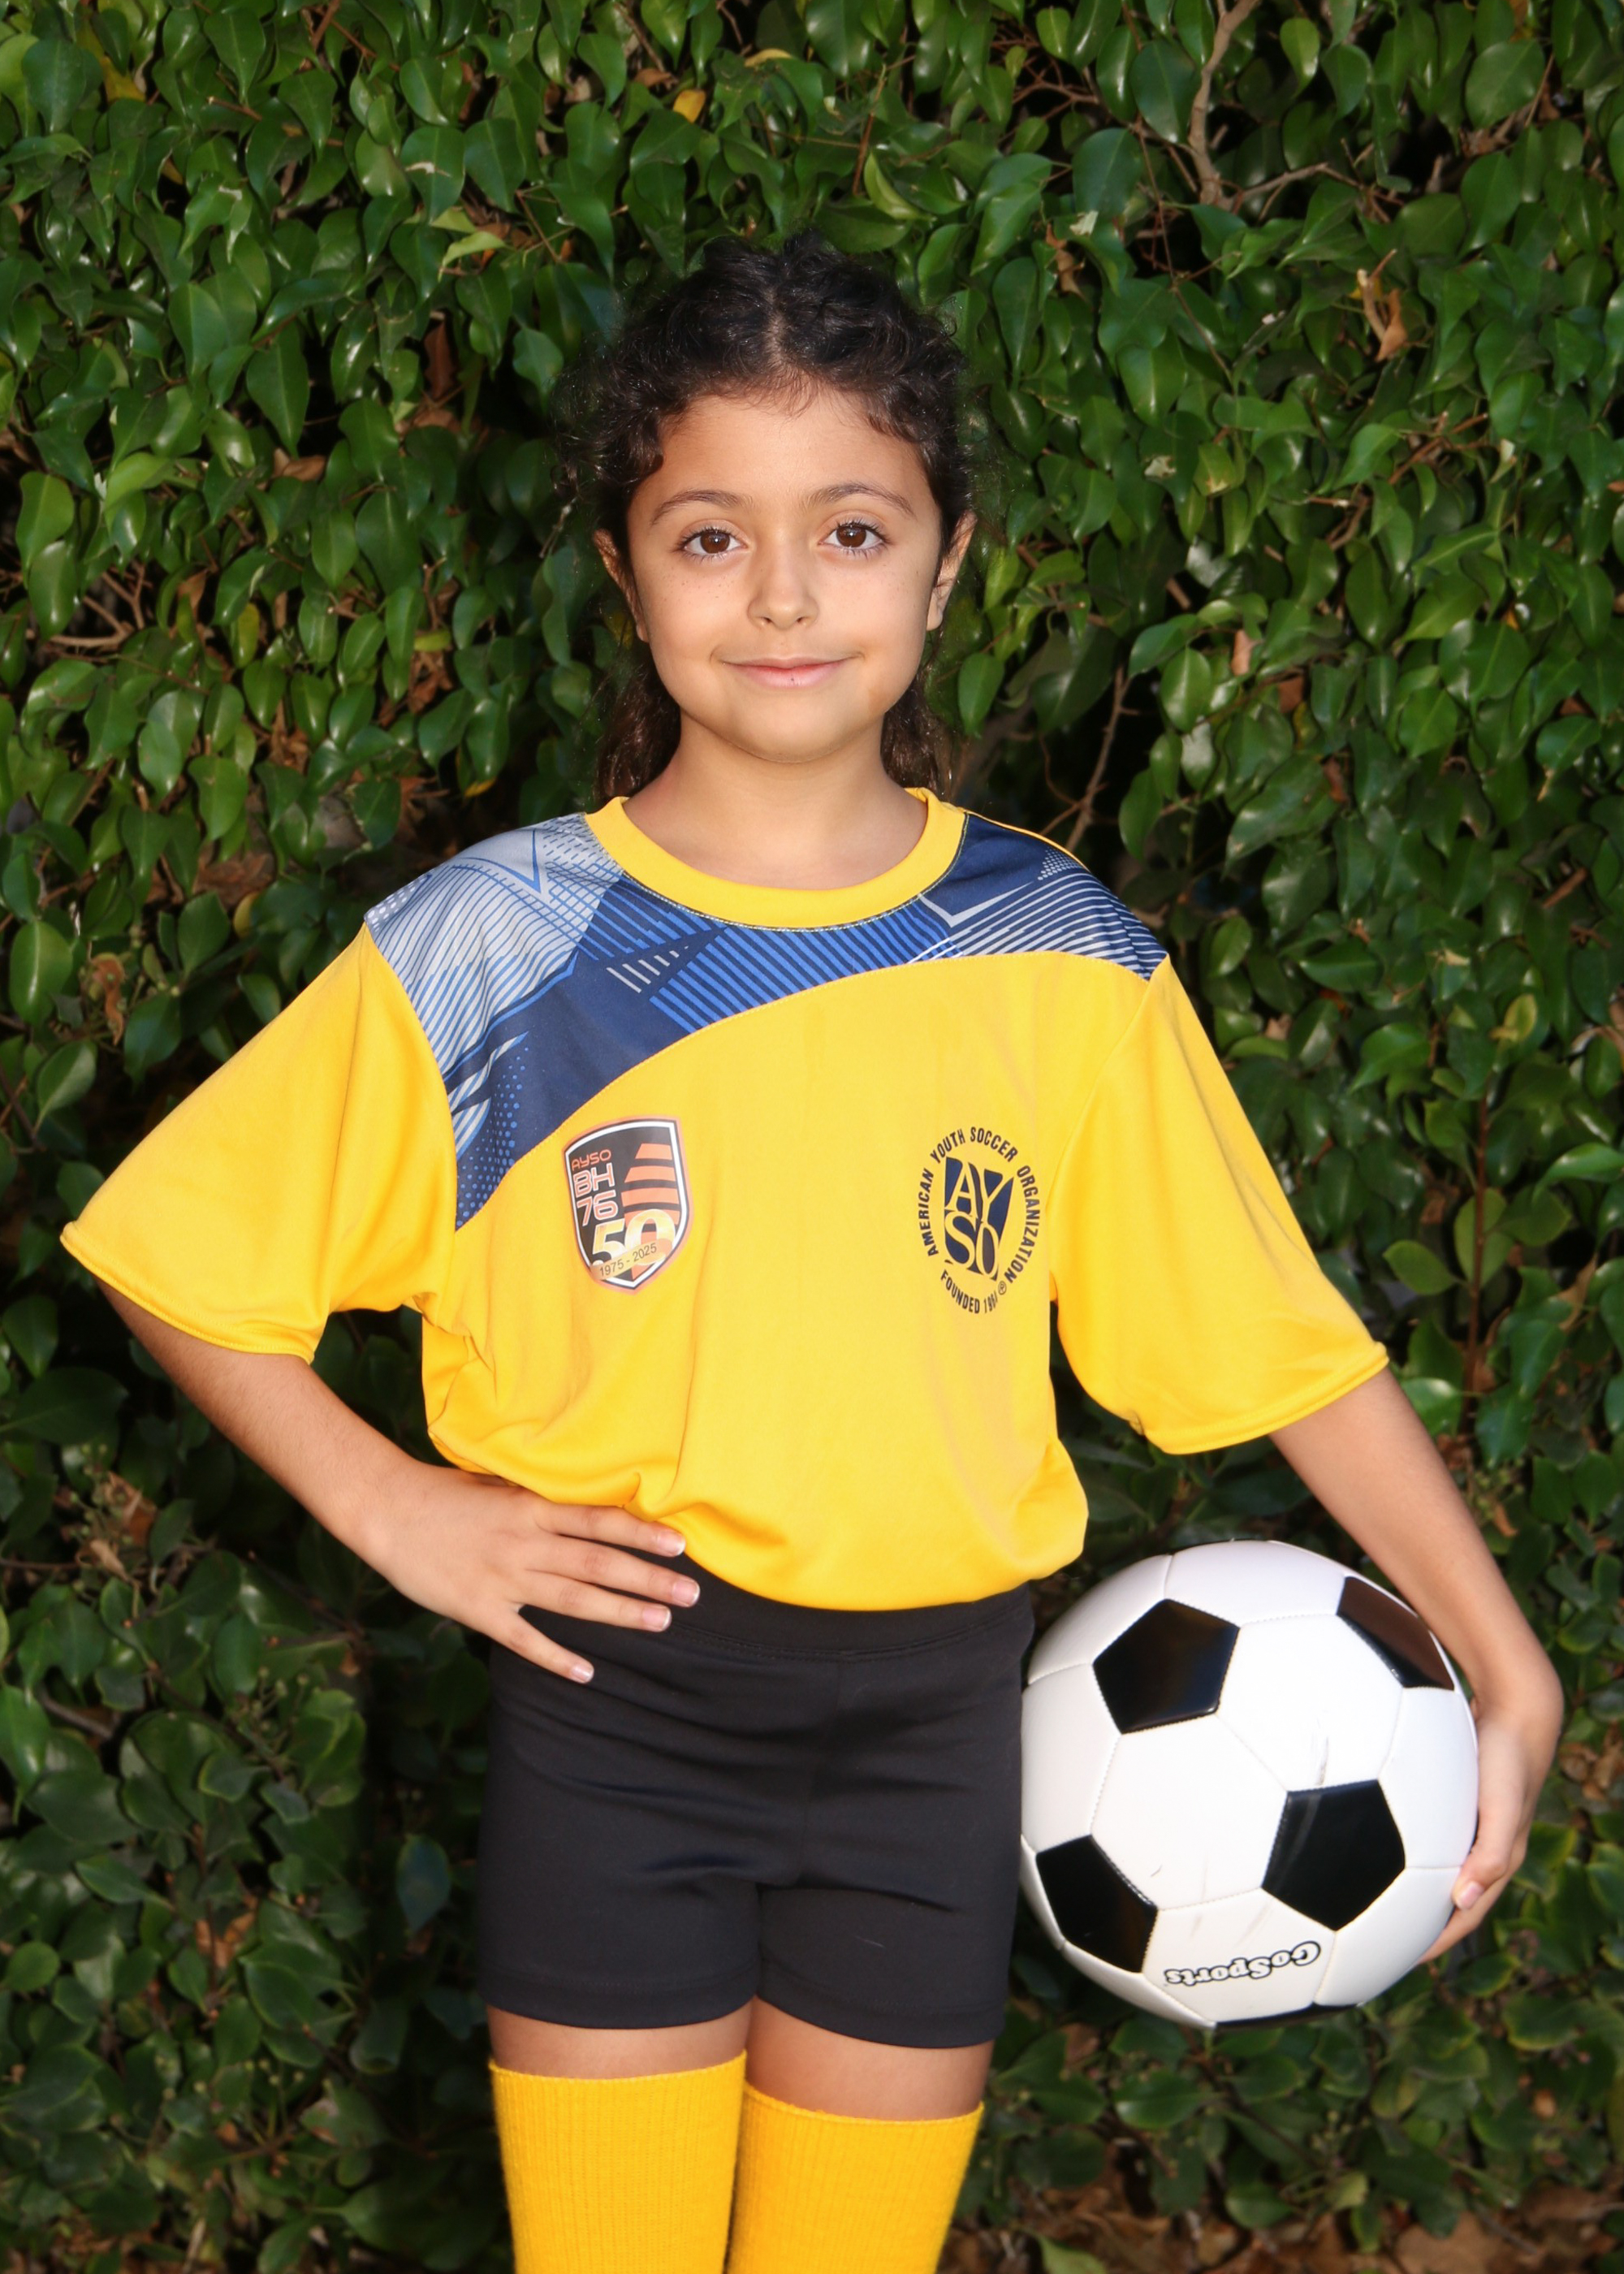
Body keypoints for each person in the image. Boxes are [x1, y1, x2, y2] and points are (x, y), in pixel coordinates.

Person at [62, 234, 1563, 2274]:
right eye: (711, 535)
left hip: (932, 1741)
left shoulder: (1055, 951)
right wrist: (394, 1504)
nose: (781, 596)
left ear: (945, 567)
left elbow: (1277, 1347)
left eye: (850, 530)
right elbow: (176, 1253)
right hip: (617, 1720)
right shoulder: (498, 945)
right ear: (624, 573)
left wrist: (1503, 1658)